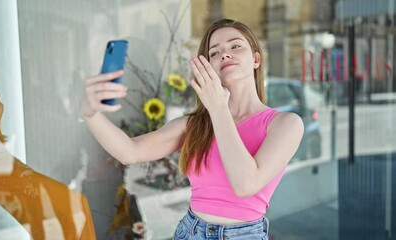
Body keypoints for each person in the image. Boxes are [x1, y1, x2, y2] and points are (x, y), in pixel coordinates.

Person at [80, 19, 304, 240]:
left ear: (256, 59)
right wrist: (90, 114)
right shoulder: (195, 125)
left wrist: (218, 109)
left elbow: (246, 184)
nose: (225, 54)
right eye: (214, 53)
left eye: (235, 46)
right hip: (190, 231)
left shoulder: (285, 124)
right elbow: (130, 152)